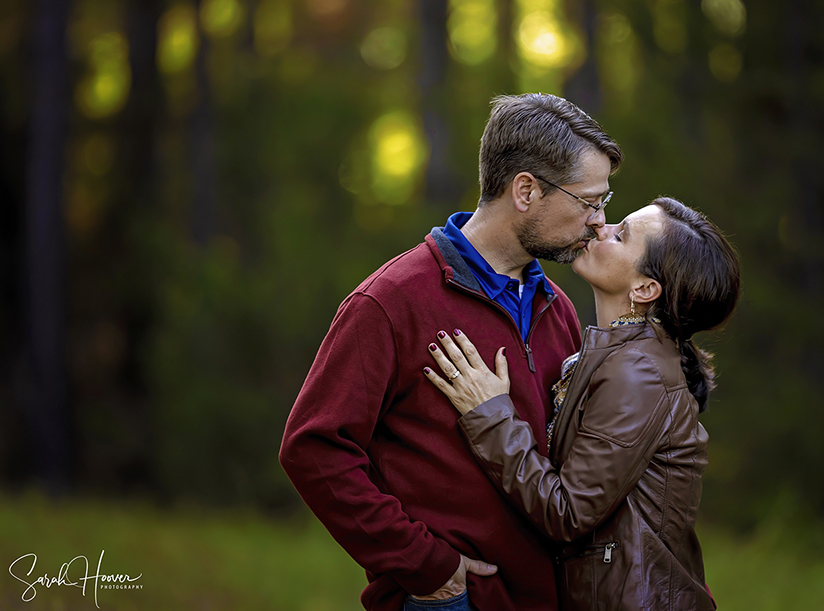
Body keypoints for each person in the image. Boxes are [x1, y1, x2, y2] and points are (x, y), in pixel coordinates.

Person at [279, 93, 622, 611]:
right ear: (525, 190)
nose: (598, 221)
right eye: (588, 201)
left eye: (604, 202)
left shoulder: (558, 309)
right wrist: (424, 565)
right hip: (451, 600)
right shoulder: (392, 301)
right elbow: (314, 448)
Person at [423, 197, 740, 611]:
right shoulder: (623, 359)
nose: (601, 227)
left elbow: (567, 511)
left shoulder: (637, 374)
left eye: (621, 235)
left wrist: (490, 414)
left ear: (645, 289)